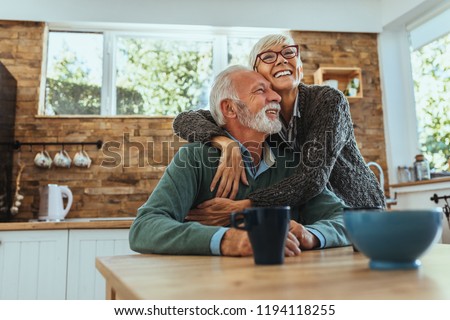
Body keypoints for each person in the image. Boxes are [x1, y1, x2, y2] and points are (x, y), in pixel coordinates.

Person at [129, 65, 350, 257]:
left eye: (272, 90)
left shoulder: (292, 163)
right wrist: (229, 240)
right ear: (230, 108)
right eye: (261, 91)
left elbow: (346, 220)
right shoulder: (194, 158)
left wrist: (311, 234)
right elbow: (144, 227)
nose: (276, 97)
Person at [172, 34, 385, 223]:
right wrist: (225, 143)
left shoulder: (328, 101)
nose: (282, 59)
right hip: (312, 218)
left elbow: (313, 178)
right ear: (256, 73)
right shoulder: (259, 116)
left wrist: (246, 206)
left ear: (299, 65)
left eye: (289, 52)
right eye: (268, 57)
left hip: (357, 211)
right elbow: (185, 119)